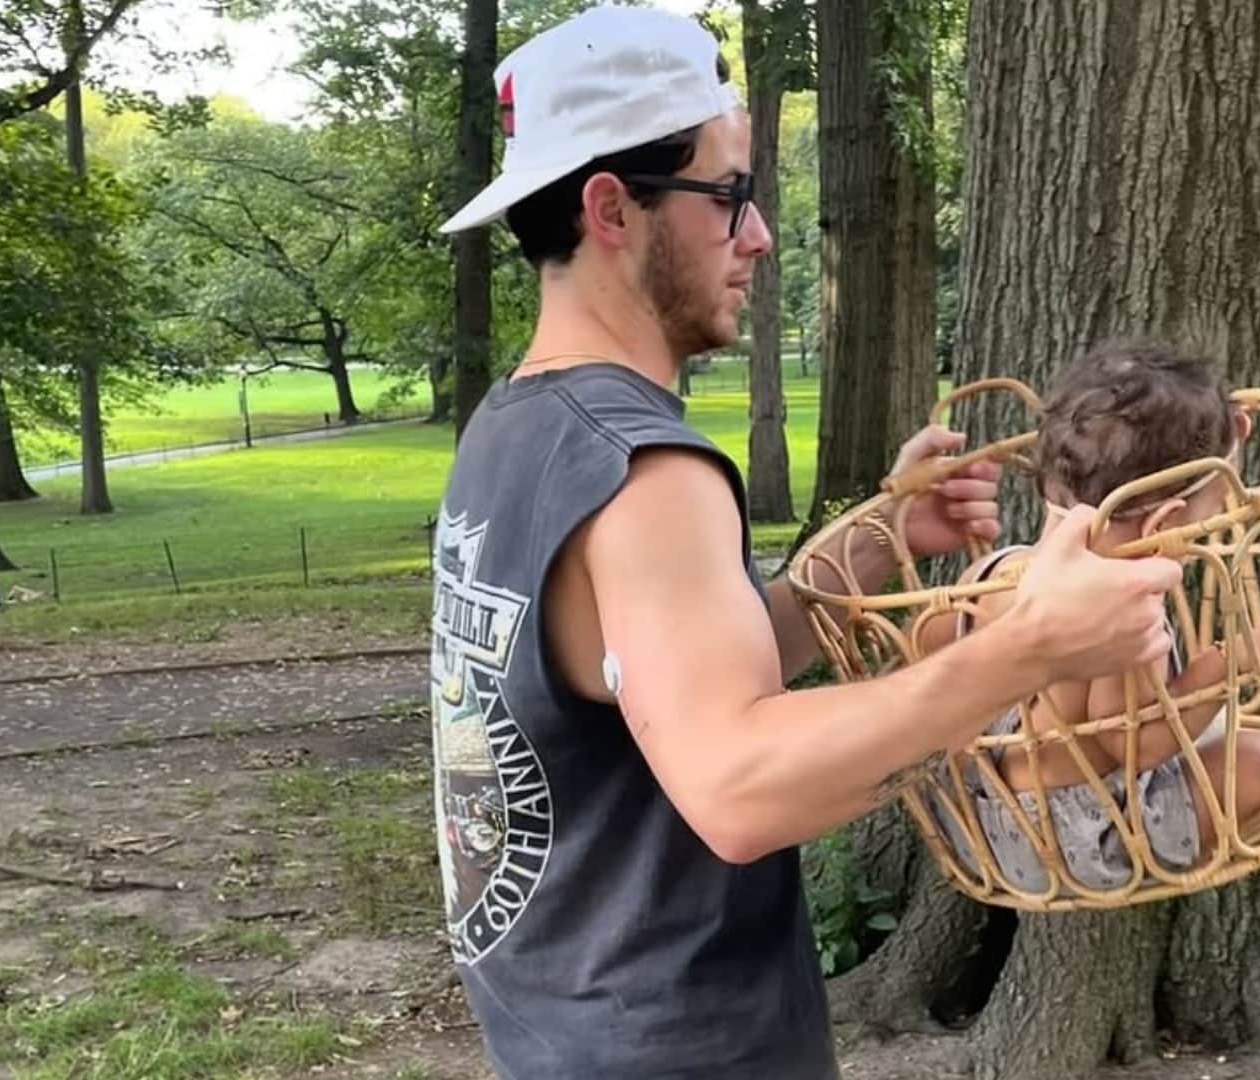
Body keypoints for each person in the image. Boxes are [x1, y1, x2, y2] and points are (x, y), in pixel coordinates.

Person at [429, 8, 1183, 1078]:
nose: (760, 235)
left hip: (564, 1026)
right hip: (684, 1049)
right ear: (611, 208)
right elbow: (739, 789)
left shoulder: (516, 429)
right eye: (730, 194)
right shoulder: (648, 470)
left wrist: (877, 536)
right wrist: (1032, 650)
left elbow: (678, 681)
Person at [913, 344, 1260, 894]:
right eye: (1208, 518)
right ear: (1165, 521)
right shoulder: (1119, 616)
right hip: (1084, 842)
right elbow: (1137, 748)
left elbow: (926, 640)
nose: (1207, 531)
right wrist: (1230, 663)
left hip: (975, 822)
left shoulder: (997, 575)